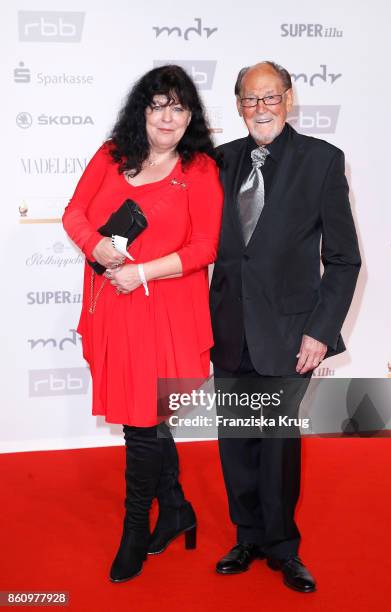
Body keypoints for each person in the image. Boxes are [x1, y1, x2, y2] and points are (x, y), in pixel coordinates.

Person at [62, 65, 223, 582]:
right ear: (142, 110)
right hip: (113, 307)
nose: (168, 117)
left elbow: (205, 247)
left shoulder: (198, 169)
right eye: (158, 105)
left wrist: (141, 270)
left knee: (141, 424)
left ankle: (136, 527)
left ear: (191, 116)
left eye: (179, 107)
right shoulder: (112, 155)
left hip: (166, 310)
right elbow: (74, 214)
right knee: (146, 420)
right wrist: (97, 246)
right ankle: (176, 510)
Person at [209, 61, 361, 592]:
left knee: (276, 442)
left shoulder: (321, 161)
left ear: (289, 99)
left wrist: (320, 331)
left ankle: (282, 546)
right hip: (229, 328)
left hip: (292, 332)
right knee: (235, 439)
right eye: (251, 100)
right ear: (238, 106)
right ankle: (246, 536)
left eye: (271, 97)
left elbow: (343, 259)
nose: (261, 109)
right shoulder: (218, 161)